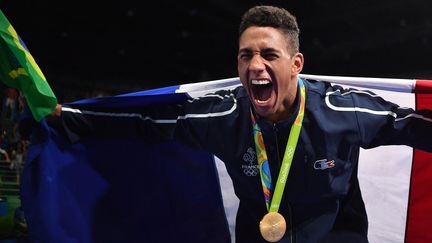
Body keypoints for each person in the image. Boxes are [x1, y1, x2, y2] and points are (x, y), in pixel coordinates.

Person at [50, 5, 432, 243]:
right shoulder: (223, 116)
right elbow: (148, 121)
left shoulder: (341, 110)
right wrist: (72, 118)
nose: (254, 66)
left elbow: (410, 124)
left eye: (268, 54)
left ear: (296, 65)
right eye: (245, 56)